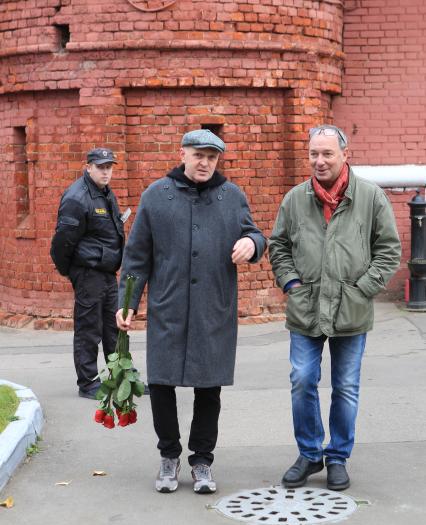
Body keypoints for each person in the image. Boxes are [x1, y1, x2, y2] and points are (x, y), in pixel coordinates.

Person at [116, 129, 266, 494]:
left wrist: (251, 243)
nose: (205, 163)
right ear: (182, 153)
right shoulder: (156, 196)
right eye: (199, 155)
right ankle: (169, 456)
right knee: (162, 383)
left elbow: (257, 235)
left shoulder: (231, 196)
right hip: (168, 307)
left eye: (212, 157)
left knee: (208, 386)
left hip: (213, 308)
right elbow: (137, 257)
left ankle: (202, 461)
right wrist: (127, 302)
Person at [269, 125, 401, 491]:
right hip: (306, 306)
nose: (320, 160)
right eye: (314, 154)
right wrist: (292, 285)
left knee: (345, 386)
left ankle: (338, 457)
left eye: (327, 153)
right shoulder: (295, 199)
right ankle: (310, 454)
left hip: (351, 309)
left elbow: (389, 249)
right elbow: (278, 245)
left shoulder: (371, 198)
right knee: (302, 380)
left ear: (345, 154)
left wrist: (363, 290)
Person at [50, 148, 125, 399]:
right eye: (101, 166)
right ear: (89, 166)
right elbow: (62, 242)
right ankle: (88, 382)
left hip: (106, 272)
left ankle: (121, 377)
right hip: (88, 273)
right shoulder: (77, 197)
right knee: (89, 329)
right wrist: (71, 271)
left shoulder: (104, 192)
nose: (106, 171)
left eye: (109, 167)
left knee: (114, 327)